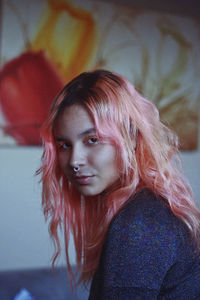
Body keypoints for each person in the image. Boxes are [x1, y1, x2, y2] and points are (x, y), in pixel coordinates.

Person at [38, 69, 200, 299]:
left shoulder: (139, 224)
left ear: (130, 137)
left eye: (92, 140)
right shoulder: (146, 209)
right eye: (64, 144)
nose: (74, 161)